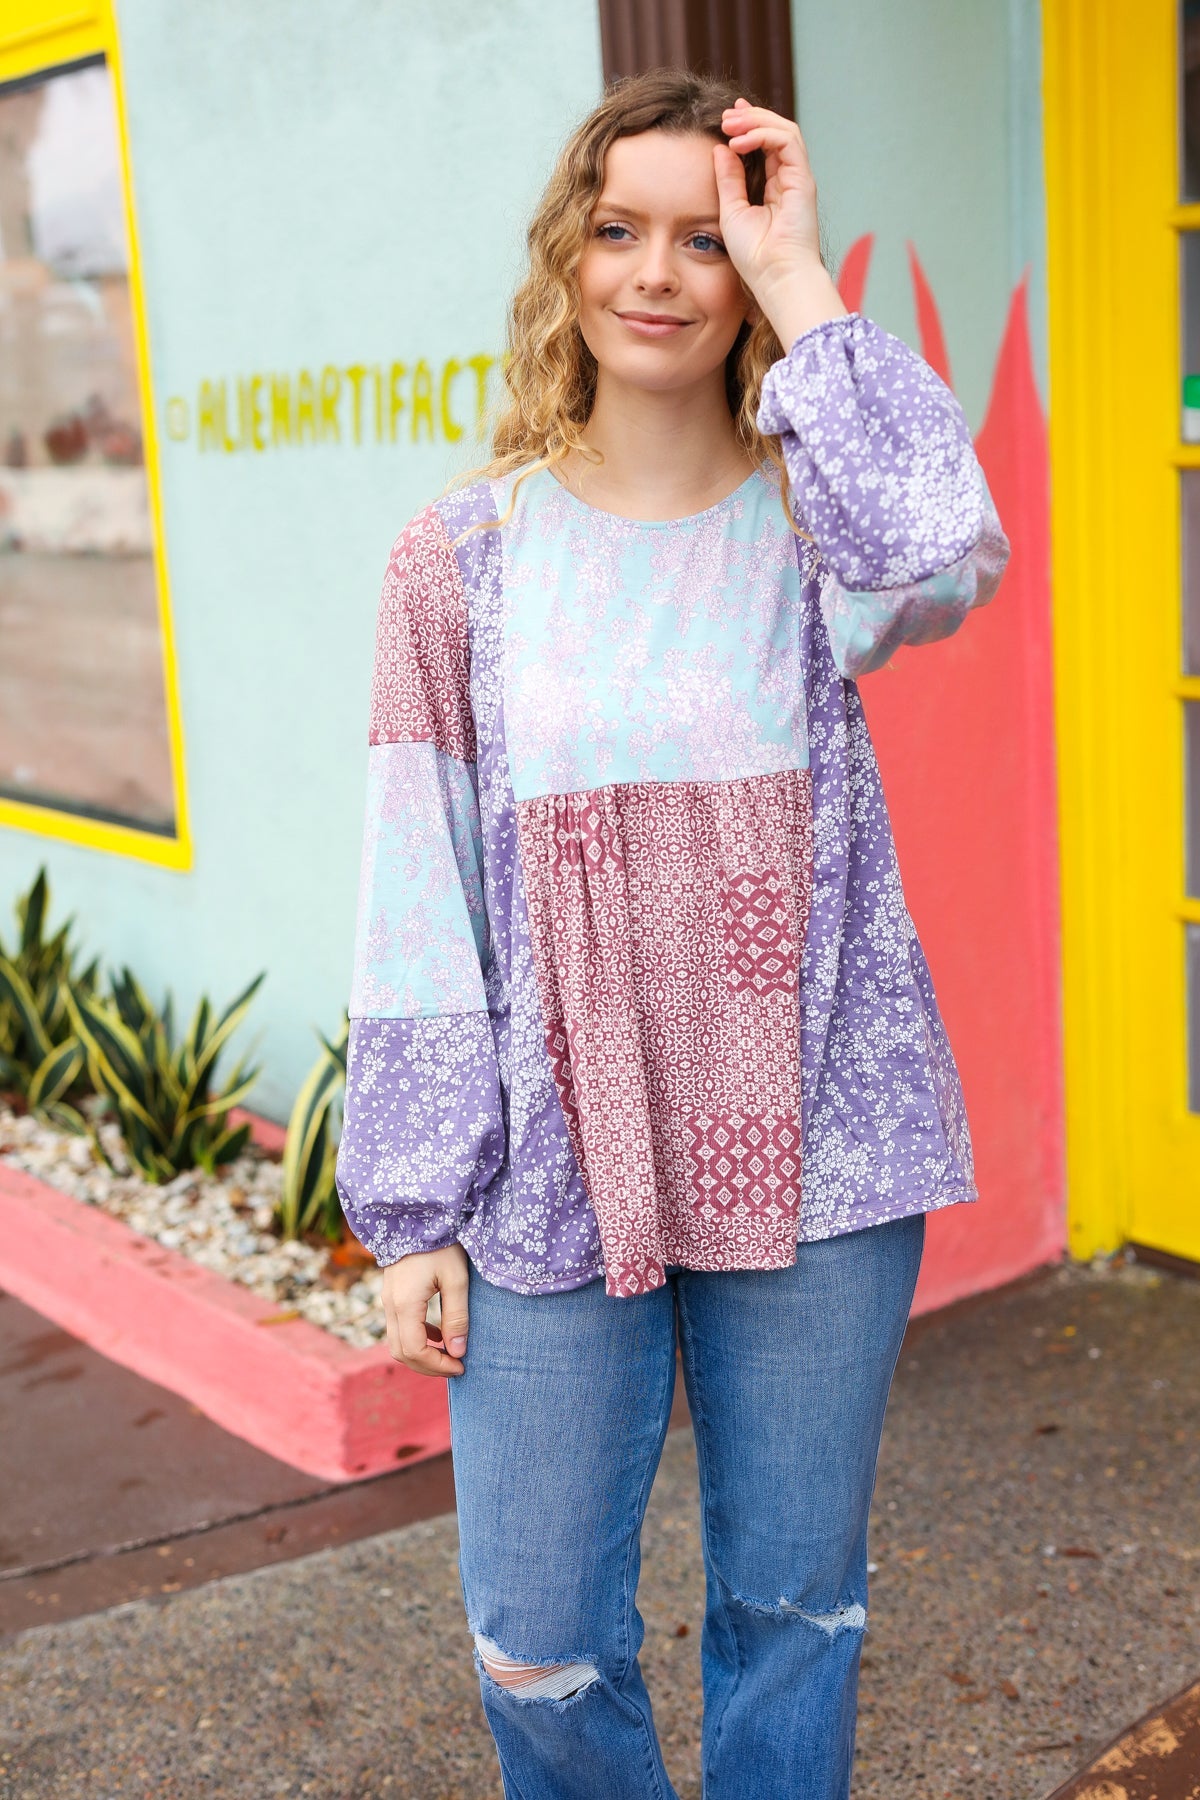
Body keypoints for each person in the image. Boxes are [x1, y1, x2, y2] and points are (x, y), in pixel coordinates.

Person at [334, 67, 1009, 1800]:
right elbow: (420, 888)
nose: (657, 272)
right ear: (566, 261)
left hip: (817, 1151)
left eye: (704, 241)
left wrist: (803, 276)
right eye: (618, 230)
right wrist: (414, 1204)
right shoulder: (459, 560)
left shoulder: (818, 532)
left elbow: (952, 548)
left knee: (797, 1609)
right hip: (553, 1163)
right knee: (537, 1638)